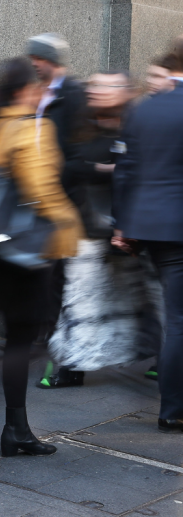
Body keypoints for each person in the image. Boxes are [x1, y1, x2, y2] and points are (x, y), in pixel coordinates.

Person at [0, 57, 82, 456]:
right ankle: (12, 428)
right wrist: (71, 229)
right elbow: (42, 189)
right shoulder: (32, 128)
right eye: (37, 89)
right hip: (28, 249)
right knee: (24, 340)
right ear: (26, 91)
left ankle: (15, 427)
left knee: (18, 338)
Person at [39, 71, 162, 389]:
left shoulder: (137, 123)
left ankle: (162, 358)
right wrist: (109, 168)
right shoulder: (81, 124)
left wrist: (108, 169)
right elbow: (68, 166)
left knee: (144, 299)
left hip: (134, 227)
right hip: (87, 227)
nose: (95, 91)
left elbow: (143, 169)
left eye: (105, 86)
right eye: (93, 85)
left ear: (125, 92)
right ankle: (71, 366)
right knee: (81, 300)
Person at [112, 35, 183, 433]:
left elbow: (127, 171)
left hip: (153, 228)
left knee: (177, 318)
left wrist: (123, 224)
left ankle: (174, 408)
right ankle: (173, 408)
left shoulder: (145, 109)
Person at [26, 33, 89, 373]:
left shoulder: (74, 94)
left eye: (38, 58)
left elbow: (76, 152)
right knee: (40, 270)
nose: (34, 63)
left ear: (52, 60)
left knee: (57, 274)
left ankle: (50, 335)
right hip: (33, 198)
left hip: (61, 199)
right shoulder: (36, 94)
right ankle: (39, 331)